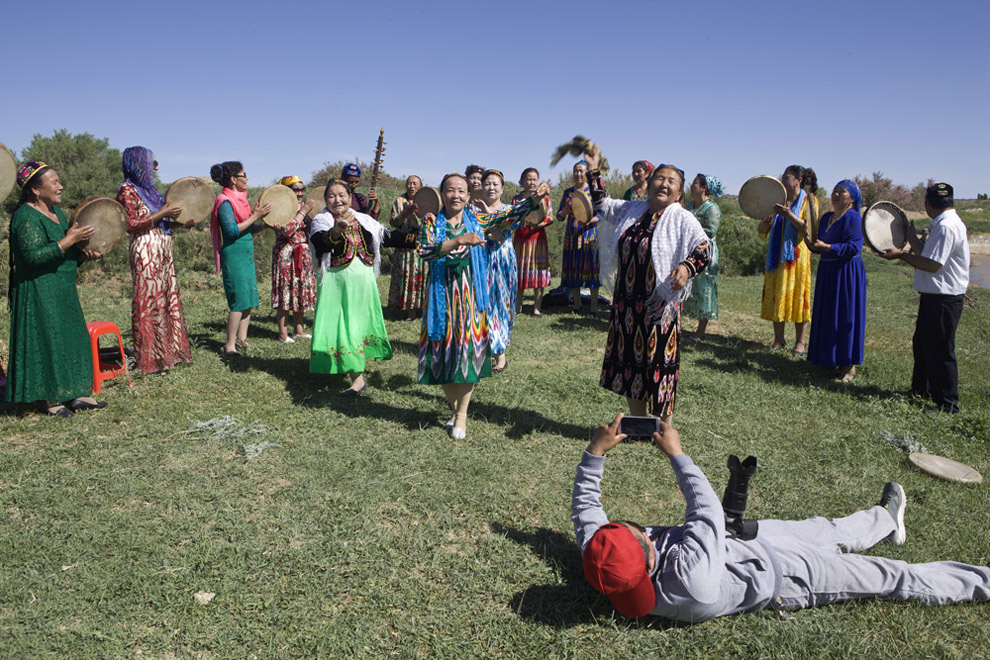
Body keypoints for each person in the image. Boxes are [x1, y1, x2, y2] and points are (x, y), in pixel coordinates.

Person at [573, 414, 990, 622]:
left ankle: (885, 520)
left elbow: (586, 509)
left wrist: (596, 450)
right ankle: (981, 582)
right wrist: (677, 454)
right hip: (788, 576)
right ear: (645, 553)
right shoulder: (688, 583)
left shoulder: (603, 558)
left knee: (831, 528)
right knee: (890, 576)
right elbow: (705, 510)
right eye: (643, 538)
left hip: (754, 540)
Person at [418, 173, 549, 438]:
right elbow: (426, 251)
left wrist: (533, 201)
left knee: (467, 353)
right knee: (443, 354)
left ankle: (462, 416)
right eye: (451, 190)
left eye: (461, 191)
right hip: (441, 296)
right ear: (443, 193)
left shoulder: (477, 219)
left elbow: (507, 218)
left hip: (470, 296)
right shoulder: (431, 221)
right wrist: (458, 241)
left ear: (469, 196)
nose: (456, 195)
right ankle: (455, 410)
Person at [581, 151, 710, 422]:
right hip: (627, 303)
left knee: (660, 363)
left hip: (659, 305)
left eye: (671, 181)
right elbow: (602, 204)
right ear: (649, 184)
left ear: (678, 193)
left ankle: (664, 429)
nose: (664, 183)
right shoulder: (633, 210)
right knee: (631, 361)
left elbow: (704, 248)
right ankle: (639, 424)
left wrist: (687, 268)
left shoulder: (681, 218)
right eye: (659, 178)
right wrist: (594, 172)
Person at [5, 162, 107, 417]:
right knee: (48, 339)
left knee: (71, 338)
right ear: (36, 190)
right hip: (39, 289)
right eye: (54, 182)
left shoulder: (57, 213)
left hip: (62, 286)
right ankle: (51, 400)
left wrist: (83, 255)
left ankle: (77, 393)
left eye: (59, 181)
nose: (60, 186)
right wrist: (69, 240)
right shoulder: (25, 217)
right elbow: (32, 257)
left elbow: (65, 252)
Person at [309, 180, 414, 395]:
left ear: (349, 196)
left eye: (342, 195)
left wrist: (416, 239)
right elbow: (322, 244)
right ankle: (358, 379)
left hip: (362, 285)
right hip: (336, 285)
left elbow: (388, 238)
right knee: (341, 326)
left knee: (355, 327)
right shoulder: (321, 220)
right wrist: (337, 230)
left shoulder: (365, 220)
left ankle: (349, 367)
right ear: (325, 199)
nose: (337, 199)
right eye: (331, 196)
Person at [880, 182, 970, 413]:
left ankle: (947, 404)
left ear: (928, 204)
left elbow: (932, 264)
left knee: (940, 350)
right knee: (923, 345)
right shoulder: (945, 223)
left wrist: (901, 255)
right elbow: (928, 255)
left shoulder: (946, 227)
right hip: (936, 297)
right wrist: (913, 239)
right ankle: (921, 390)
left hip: (944, 298)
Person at [116, 147, 194, 374]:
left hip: (162, 247)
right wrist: (163, 213)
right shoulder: (126, 190)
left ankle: (169, 353)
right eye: (153, 162)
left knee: (167, 297)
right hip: (145, 250)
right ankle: (151, 359)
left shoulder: (152, 191)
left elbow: (162, 222)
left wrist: (180, 223)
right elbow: (130, 224)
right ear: (138, 163)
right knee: (150, 301)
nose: (156, 167)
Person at [209, 161, 271, 356]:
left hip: (245, 252)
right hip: (234, 254)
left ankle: (242, 339)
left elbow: (248, 229)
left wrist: (266, 225)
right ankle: (229, 344)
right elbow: (231, 231)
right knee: (237, 300)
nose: (247, 179)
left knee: (249, 298)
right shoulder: (224, 201)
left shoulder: (240, 199)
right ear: (234, 180)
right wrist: (255, 216)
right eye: (244, 175)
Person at [807, 180, 867, 382]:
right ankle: (828, 359)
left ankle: (848, 366)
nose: (835, 195)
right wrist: (811, 242)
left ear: (852, 199)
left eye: (841, 192)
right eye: (834, 191)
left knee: (845, 315)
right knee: (829, 314)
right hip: (828, 271)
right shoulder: (826, 218)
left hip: (846, 272)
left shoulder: (852, 218)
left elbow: (854, 247)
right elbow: (816, 243)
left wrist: (829, 248)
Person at [759, 165, 818, 355]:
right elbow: (762, 231)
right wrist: (765, 223)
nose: (783, 180)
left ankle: (800, 343)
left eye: (787, 177)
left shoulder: (809, 201)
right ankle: (779, 339)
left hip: (796, 259)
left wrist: (788, 215)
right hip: (776, 258)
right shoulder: (778, 201)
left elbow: (809, 228)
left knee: (798, 298)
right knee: (778, 296)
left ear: (798, 180)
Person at [476, 169, 518, 373]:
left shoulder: (510, 210)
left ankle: (500, 353)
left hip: (502, 260)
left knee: (501, 304)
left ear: (502, 188)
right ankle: (482, 347)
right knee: (481, 302)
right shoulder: (473, 209)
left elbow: (501, 233)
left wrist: (488, 216)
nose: (491, 187)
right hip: (480, 258)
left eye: (495, 184)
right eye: (487, 184)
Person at [271, 176, 317, 343]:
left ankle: (299, 329)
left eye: (301, 189)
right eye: (295, 189)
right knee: (285, 292)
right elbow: (287, 231)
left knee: (300, 291)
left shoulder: (304, 207)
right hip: (286, 253)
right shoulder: (281, 207)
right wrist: (303, 212)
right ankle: (283, 334)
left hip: (302, 251)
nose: (299, 193)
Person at [683, 173, 723, 342]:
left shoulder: (712, 208)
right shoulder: (691, 204)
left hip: (705, 251)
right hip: (689, 249)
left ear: (704, 188)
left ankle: (700, 332)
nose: (691, 186)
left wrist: (691, 231)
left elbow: (711, 231)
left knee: (705, 288)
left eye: (695, 183)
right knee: (688, 286)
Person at [558, 160, 601, 313]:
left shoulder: (594, 192)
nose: (578, 174)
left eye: (581, 170)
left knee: (592, 269)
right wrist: (563, 212)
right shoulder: (568, 192)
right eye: (575, 170)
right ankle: (577, 304)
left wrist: (589, 220)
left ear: (587, 173)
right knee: (573, 268)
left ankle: (594, 307)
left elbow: (602, 215)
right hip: (572, 236)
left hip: (590, 236)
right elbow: (559, 216)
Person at [512, 167, 553, 316]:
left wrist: (539, 224)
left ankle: (537, 308)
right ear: (522, 181)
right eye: (528, 179)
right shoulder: (517, 199)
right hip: (521, 238)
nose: (531, 182)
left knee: (538, 272)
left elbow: (550, 217)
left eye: (534, 179)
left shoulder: (544, 198)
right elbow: (512, 216)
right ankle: (518, 307)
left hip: (537, 238)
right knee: (519, 272)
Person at [387, 175, 428, 321]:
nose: (411, 186)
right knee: (406, 277)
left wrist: (416, 214)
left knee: (421, 278)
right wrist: (406, 213)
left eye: (415, 183)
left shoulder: (426, 202)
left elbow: (426, 224)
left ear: (420, 187)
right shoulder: (399, 201)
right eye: (409, 183)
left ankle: (422, 308)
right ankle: (409, 310)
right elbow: (393, 222)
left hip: (419, 246)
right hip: (404, 246)